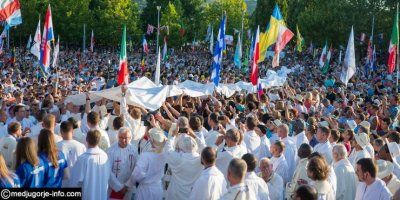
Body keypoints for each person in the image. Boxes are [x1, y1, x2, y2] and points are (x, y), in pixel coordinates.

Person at [163, 121, 204, 200]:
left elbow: (167, 149)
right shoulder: (200, 159)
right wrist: (194, 136)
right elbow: (205, 148)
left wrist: (173, 136)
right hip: (192, 195)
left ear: (179, 147)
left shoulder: (178, 158)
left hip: (175, 195)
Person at [125, 128, 167, 200]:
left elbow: (137, 174)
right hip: (158, 188)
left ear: (152, 140)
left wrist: (128, 185)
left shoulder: (146, 156)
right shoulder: (164, 154)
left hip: (145, 190)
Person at [70, 130, 111, 200]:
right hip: (101, 195)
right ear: (99, 140)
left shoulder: (83, 159)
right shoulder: (105, 156)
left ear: (86, 139)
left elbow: (75, 181)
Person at [107, 127, 137, 200]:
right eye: (121, 137)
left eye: (126, 138)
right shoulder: (111, 150)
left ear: (130, 138)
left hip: (128, 187)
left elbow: (136, 168)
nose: (123, 140)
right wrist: (119, 187)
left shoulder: (133, 150)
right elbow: (108, 171)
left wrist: (127, 185)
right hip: (114, 188)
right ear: (117, 137)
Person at [56, 121, 86, 187]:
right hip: (77, 183)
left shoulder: (55, 147)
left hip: (62, 183)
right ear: (72, 131)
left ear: (61, 132)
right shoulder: (81, 146)